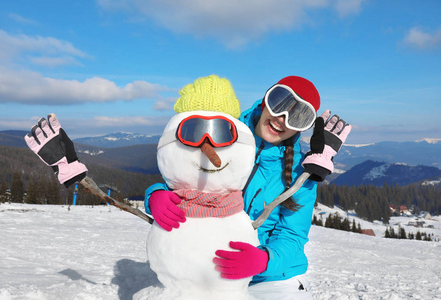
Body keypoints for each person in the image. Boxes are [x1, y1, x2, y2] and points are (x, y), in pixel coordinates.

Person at [144, 75, 351, 299]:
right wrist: (156, 195)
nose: (282, 119)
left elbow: (292, 236)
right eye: (279, 104)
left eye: (297, 117)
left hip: (272, 278)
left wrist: (263, 260)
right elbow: (183, 174)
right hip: (216, 270)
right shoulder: (225, 133)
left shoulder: (300, 173)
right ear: (265, 101)